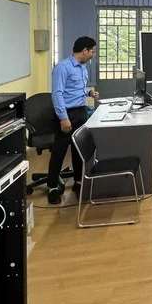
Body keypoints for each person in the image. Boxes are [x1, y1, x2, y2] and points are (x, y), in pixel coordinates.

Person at [47, 36, 100, 204]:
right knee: (59, 152)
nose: (93, 55)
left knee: (78, 150)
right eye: (92, 52)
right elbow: (57, 94)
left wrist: (89, 93)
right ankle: (52, 187)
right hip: (66, 114)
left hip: (80, 112)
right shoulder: (62, 67)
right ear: (84, 50)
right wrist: (63, 118)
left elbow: (77, 88)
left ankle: (78, 181)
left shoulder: (83, 67)